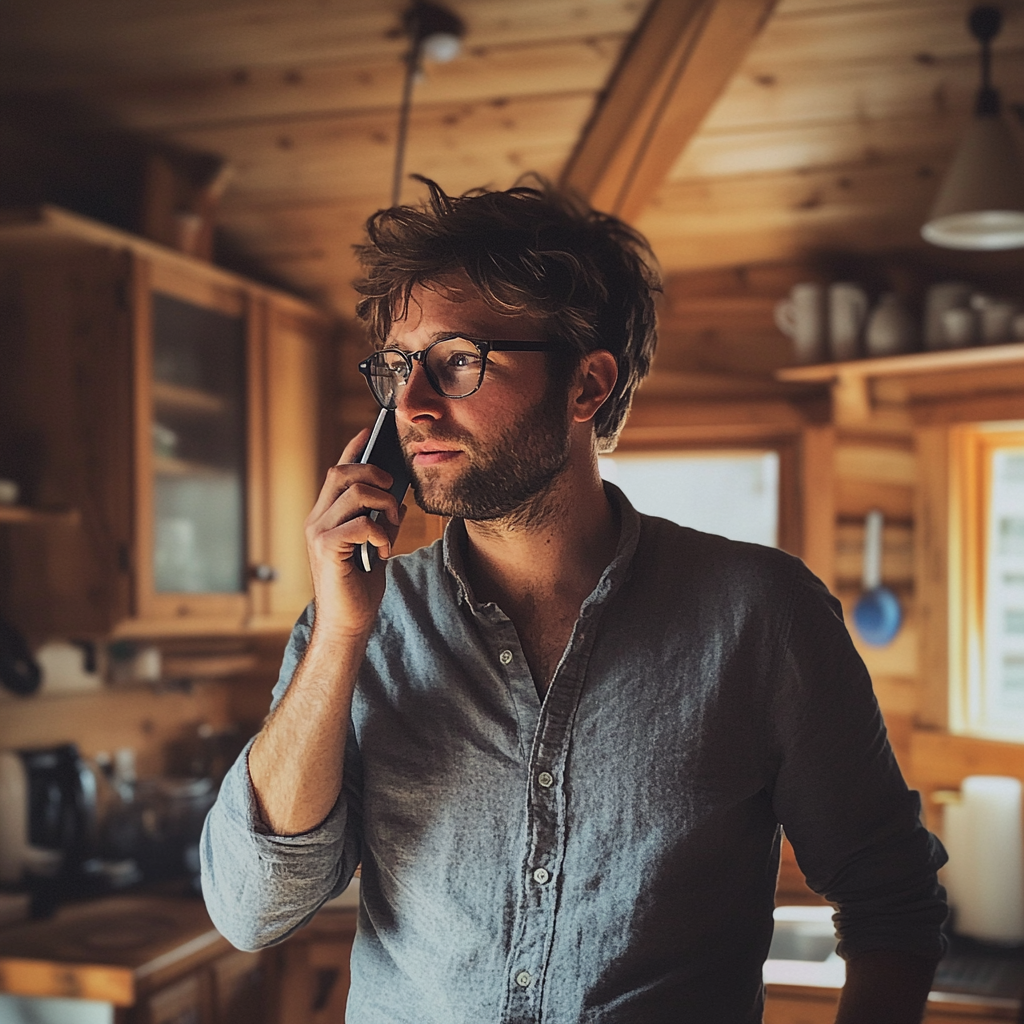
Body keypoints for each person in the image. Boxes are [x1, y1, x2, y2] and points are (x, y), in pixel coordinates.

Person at [201, 178, 947, 1023]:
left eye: (457, 362)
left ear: (588, 387)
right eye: (399, 367)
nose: (409, 405)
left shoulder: (762, 616)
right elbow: (253, 910)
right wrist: (339, 635)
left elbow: (893, 906)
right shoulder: (359, 622)